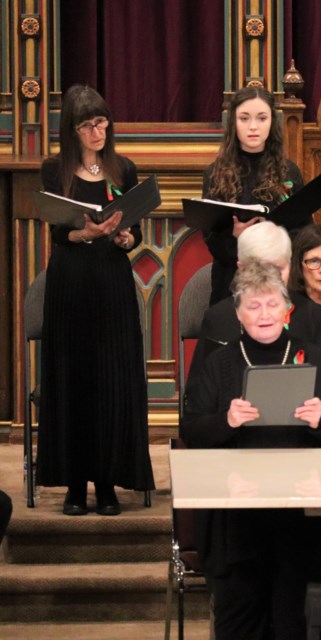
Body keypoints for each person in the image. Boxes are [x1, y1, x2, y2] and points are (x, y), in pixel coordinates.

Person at [182, 261, 321, 640]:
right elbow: (191, 431)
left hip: (300, 515)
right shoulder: (220, 363)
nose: (264, 314)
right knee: (240, 622)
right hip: (237, 517)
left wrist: (320, 420)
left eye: (271, 304)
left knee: (293, 622)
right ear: (238, 313)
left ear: (286, 309)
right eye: (253, 306)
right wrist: (225, 421)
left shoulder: (312, 356)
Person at [36, 84, 155, 517]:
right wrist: (83, 233)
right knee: (74, 381)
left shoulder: (123, 169)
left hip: (111, 282)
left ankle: (107, 485)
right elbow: (56, 232)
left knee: (111, 381)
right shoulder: (56, 171)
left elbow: (137, 230)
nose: (97, 131)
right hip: (71, 285)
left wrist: (125, 237)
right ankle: (74, 486)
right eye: (88, 125)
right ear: (72, 130)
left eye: (102, 122)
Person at [189, 221, 321, 382]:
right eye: (261, 270)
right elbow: (198, 398)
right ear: (241, 268)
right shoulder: (219, 318)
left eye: (279, 269)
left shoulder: (311, 315)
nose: (271, 279)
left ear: (290, 264)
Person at [202, 86, 305, 305]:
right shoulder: (215, 174)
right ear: (233, 123)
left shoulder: (289, 172)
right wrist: (236, 236)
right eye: (244, 118)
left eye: (261, 118)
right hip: (231, 282)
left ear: (272, 122)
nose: (253, 127)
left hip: (279, 281)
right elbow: (212, 241)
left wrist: (274, 237)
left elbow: (302, 233)